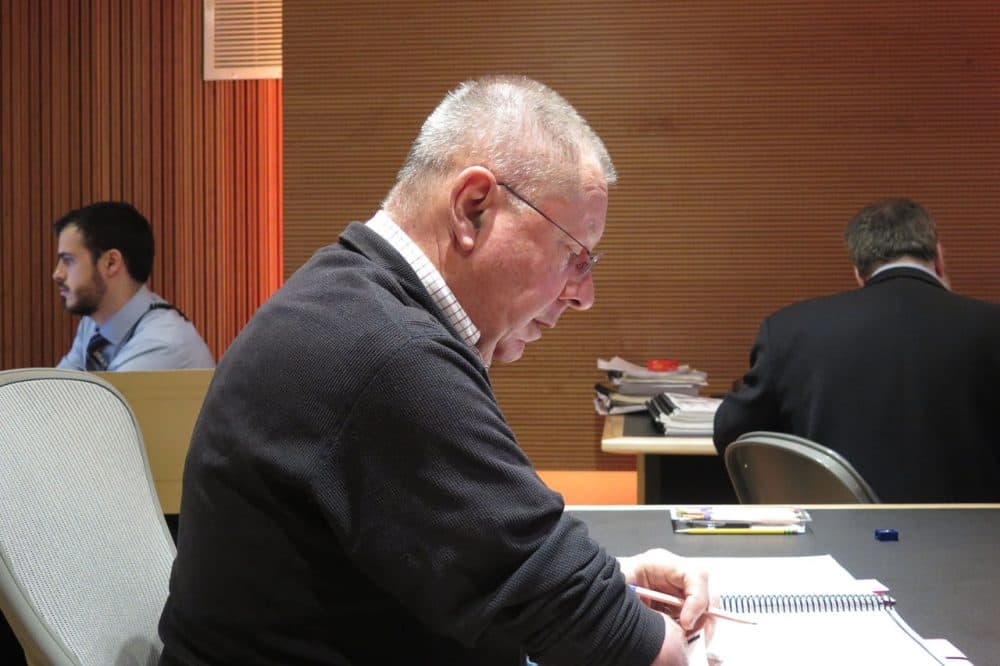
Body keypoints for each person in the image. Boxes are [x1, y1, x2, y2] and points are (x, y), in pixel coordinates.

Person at [158, 76, 711, 665]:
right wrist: (676, 641)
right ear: (473, 208)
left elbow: (480, 556)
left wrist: (616, 582)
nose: (585, 294)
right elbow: (627, 647)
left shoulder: (350, 304)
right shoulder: (388, 354)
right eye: (573, 254)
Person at [714, 198, 1000, 502]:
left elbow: (732, 432)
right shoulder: (990, 325)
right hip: (975, 541)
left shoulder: (789, 330)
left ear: (858, 272)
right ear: (938, 258)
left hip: (838, 537)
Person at [52, 201, 214, 371]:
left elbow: (104, 398)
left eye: (68, 261)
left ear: (111, 263)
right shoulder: (94, 325)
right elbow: (51, 390)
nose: (57, 273)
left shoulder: (161, 343)